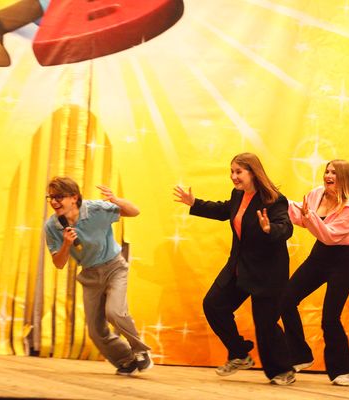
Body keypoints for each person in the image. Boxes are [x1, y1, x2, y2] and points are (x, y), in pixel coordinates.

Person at [173, 153, 296, 385]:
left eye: (239, 172)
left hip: (267, 272)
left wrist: (269, 229)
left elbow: (286, 227)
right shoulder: (238, 195)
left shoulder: (274, 199)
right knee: (214, 305)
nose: (233, 176)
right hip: (239, 266)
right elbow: (224, 211)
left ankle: (282, 370)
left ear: (253, 172)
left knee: (265, 324)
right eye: (232, 171)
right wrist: (194, 203)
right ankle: (239, 354)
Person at [44, 176, 151, 375]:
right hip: (90, 275)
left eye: (59, 197)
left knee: (114, 312)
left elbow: (134, 211)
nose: (54, 202)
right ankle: (126, 359)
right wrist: (66, 244)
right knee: (95, 331)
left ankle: (140, 350)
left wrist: (116, 200)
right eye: (51, 197)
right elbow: (59, 264)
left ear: (74, 197)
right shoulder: (52, 226)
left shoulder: (96, 210)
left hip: (114, 268)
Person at [280, 159, 349, 386]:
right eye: (327, 171)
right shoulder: (317, 194)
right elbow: (301, 216)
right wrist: (279, 201)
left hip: (343, 260)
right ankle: (299, 355)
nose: (328, 176)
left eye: (334, 173)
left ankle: (344, 371)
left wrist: (309, 216)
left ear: (345, 177)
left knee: (330, 318)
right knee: (285, 299)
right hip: (320, 256)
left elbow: (329, 235)